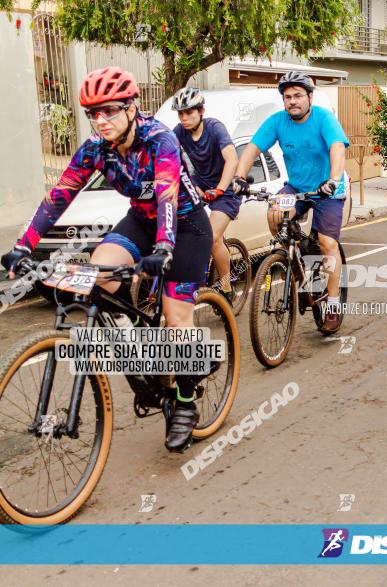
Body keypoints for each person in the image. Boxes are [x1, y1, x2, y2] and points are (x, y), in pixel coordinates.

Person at [1, 67, 213, 451]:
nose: (101, 120)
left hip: (185, 225)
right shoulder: (95, 150)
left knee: (176, 313)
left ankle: (184, 402)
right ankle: (138, 333)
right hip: (141, 221)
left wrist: (164, 247)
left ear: (132, 107)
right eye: (93, 113)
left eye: (110, 110)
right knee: (100, 272)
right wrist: (24, 244)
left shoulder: (159, 139)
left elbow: (167, 195)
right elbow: (58, 197)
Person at [232, 71, 348, 334]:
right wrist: (239, 177)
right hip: (296, 187)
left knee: (328, 243)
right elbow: (252, 149)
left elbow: (337, 148)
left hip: (327, 188)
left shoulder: (323, 118)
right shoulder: (277, 121)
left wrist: (333, 178)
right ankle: (296, 259)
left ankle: (332, 304)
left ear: (309, 96)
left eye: (297, 95)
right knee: (274, 215)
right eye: (287, 97)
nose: (292, 101)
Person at [170, 87, 239, 306]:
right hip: (200, 187)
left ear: (201, 111)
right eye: (180, 113)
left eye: (189, 112)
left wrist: (219, 188)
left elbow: (232, 160)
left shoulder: (215, 128)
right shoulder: (179, 132)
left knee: (212, 238)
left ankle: (227, 289)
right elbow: (167, 157)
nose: (184, 118)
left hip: (225, 191)